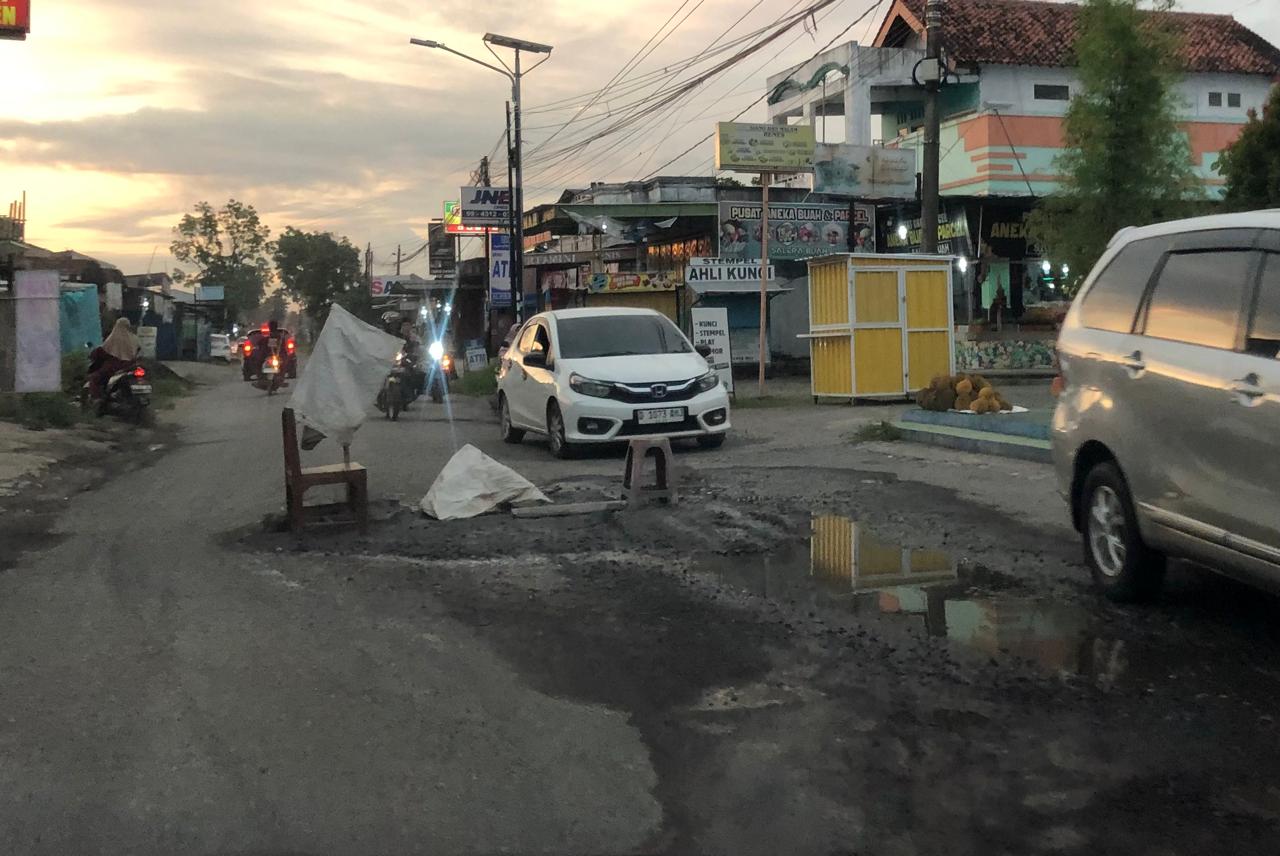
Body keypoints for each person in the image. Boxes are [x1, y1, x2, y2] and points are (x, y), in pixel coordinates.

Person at [87, 317, 140, 400]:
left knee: (94, 378)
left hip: (114, 366)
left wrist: (94, 354)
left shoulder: (114, 337)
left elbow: (104, 350)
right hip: (131, 365)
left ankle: (96, 399)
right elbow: (138, 350)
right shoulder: (134, 338)